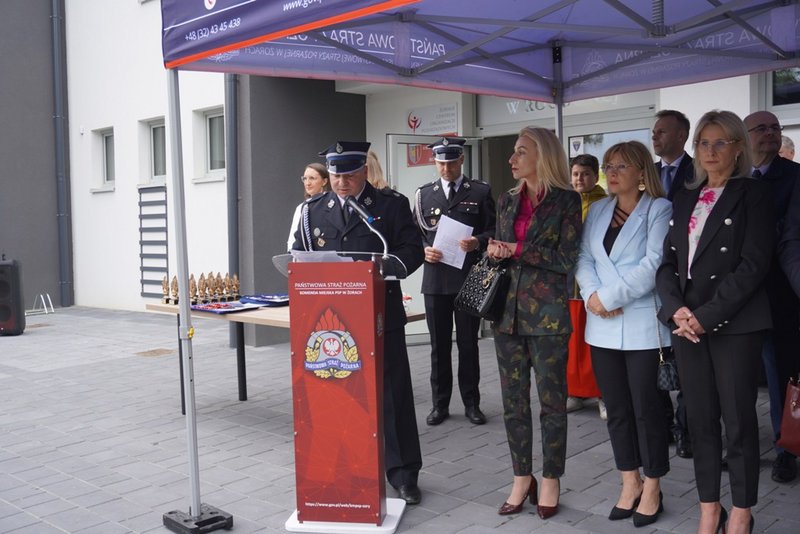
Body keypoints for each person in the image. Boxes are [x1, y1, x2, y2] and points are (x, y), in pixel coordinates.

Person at [656, 110, 773, 534]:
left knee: (738, 421)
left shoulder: (753, 194)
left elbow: (753, 265)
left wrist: (704, 317)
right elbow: (668, 263)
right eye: (703, 143)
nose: (710, 151)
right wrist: (675, 309)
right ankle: (709, 508)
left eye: (720, 142)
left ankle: (742, 511)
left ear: (738, 147)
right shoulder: (686, 196)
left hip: (733, 324)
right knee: (700, 420)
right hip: (687, 325)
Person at [291, 141, 425, 505]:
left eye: (349, 175)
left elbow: (412, 250)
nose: (341, 182)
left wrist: (382, 268)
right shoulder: (312, 211)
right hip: (331, 321)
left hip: (380, 313)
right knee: (337, 395)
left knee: (394, 395)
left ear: (364, 171)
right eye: (336, 175)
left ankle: (404, 474)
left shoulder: (390, 205)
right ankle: (345, 467)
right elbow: (298, 255)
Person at [487, 126, 581, 520]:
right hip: (506, 317)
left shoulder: (567, 200)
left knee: (552, 405)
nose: (512, 159)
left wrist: (518, 249)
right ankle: (521, 477)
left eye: (521, 152)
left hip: (548, 318)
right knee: (513, 404)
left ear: (543, 155)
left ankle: (551, 478)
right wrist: (495, 251)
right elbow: (501, 254)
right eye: (514, 151)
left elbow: (567, 259)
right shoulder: (506, 200)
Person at [576, 141, 671, 527]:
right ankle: (629, 481)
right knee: (616, 410)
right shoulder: (599, 209)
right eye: (609, 166)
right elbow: (583, 257)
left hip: (642, 326)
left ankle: (653, 485)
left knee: (647, 410)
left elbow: (654, 263)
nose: (611, 173)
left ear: (641, 171)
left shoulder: (658, 208)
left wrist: (609, 296)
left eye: (621, 166)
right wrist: (592, 296)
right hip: (601, 325)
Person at [413, 137, 496, 426]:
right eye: (440, 163)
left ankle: (472, 404)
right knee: (439, 347)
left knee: (468, 345)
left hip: (468, 277)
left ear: (461, 160)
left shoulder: (480, 191)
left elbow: (494, 229)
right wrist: (423, 249)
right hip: (436, 280)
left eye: (450, 163)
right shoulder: (424, 195)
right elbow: (413, 236)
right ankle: (440, 405)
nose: (446, 169)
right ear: (435, 162)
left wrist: (478, 241)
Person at [743, 110, 800, 484]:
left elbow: (791, 236)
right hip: (739, 298)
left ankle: (786, 450)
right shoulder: (734, 178)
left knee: (781, 374)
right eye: (761, 128)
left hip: (780, 295)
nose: (771, 133)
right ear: (744, 136)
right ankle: (743, 446)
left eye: (775, 128)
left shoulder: (795, 176)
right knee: (739, 376)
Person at [652, 109, 693, 458]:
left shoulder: (698, 172)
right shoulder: (647, 174)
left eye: (662, 131)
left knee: (685, 358)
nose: (655, 137)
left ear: (681, 135)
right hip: (651, 278)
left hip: (684, 276)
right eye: (654, 131)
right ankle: (663, 422)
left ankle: (686, 429)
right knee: (657, 356)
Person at [566, 154, 606, 418]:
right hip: (569, 284)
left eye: (585, 174)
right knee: (572, 342)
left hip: (595, 285)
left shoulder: (606, 202)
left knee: (595, 343)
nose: (580, 179)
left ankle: (603, 395)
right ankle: (574, 393)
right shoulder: (565, 202)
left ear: (595, 175)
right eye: (576, 174)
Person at [286, 163, 329, 251]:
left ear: (324, 181)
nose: (307, 183)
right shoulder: (301, 207)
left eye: (312, 178)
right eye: (305, 179)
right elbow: (292, 241)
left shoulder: (332, 205)